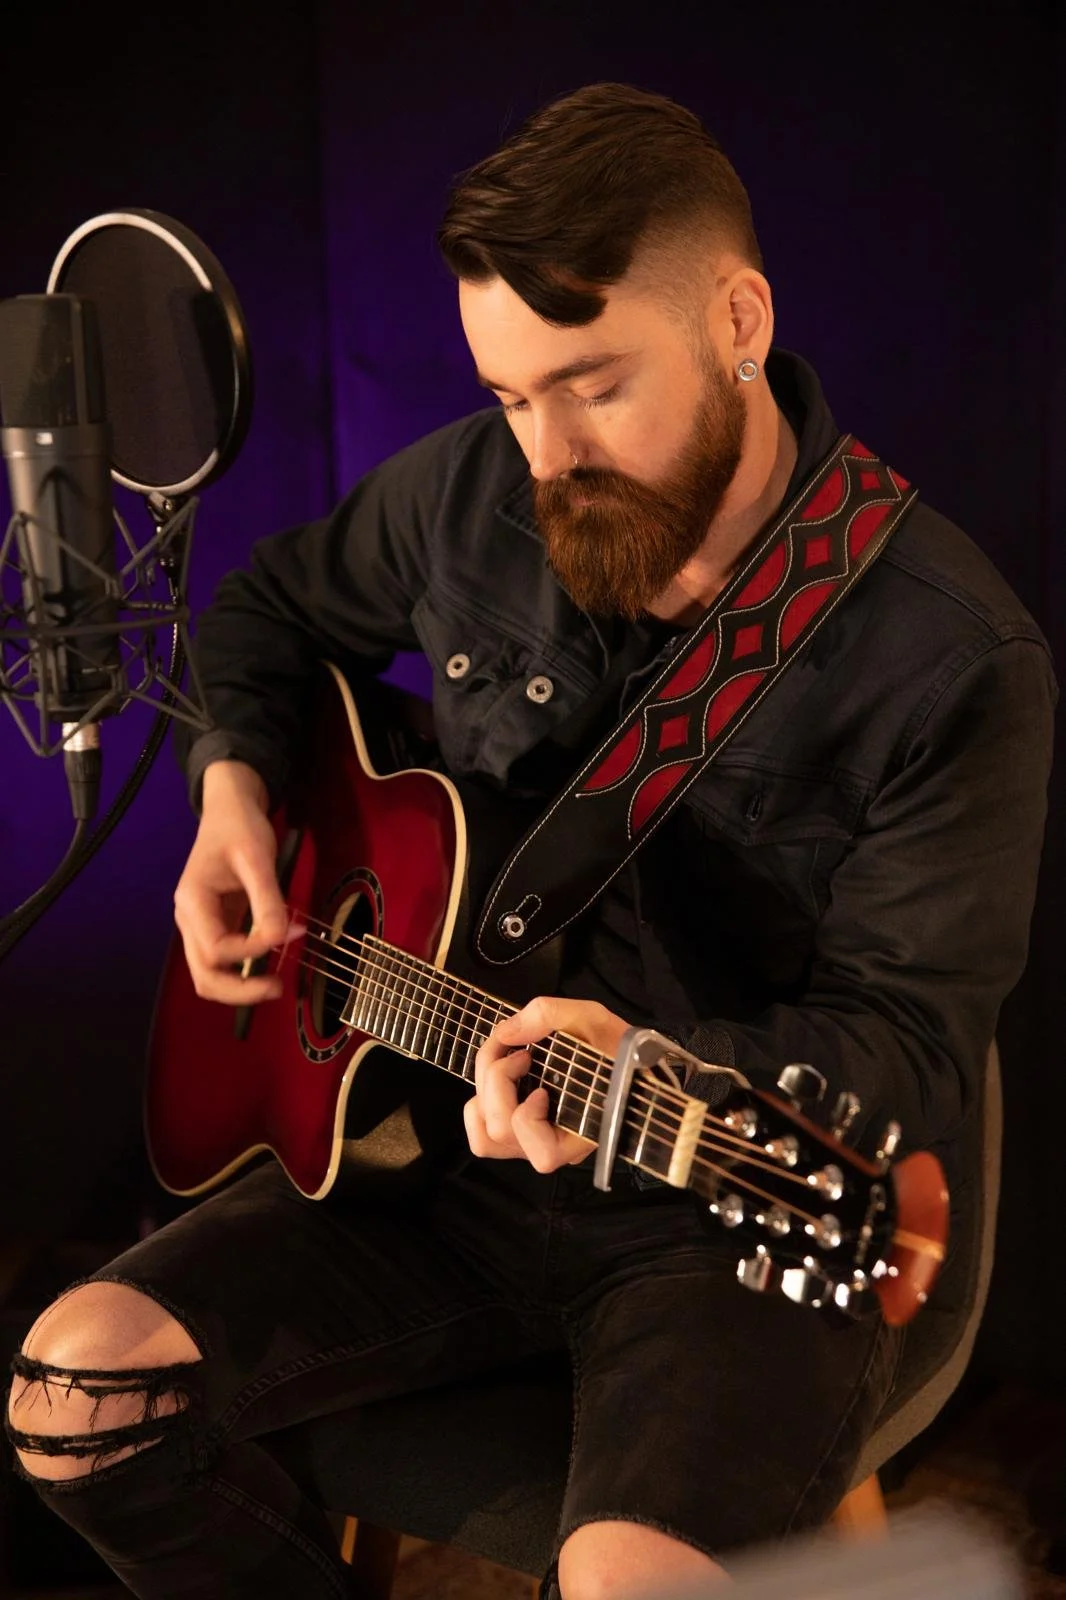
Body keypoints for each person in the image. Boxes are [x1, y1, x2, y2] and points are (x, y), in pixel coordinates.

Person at [5, 83, 1055, 1600]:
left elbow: (904, 1040)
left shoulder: (953, 659)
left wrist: (654, 1071)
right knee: (71, 1399)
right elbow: (263, 615)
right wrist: (230, 787)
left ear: (738, 322)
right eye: (507, 394)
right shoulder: (477, 495)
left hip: (725, 1212)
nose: (546, 449)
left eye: (591, 383)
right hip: (440, 1160)